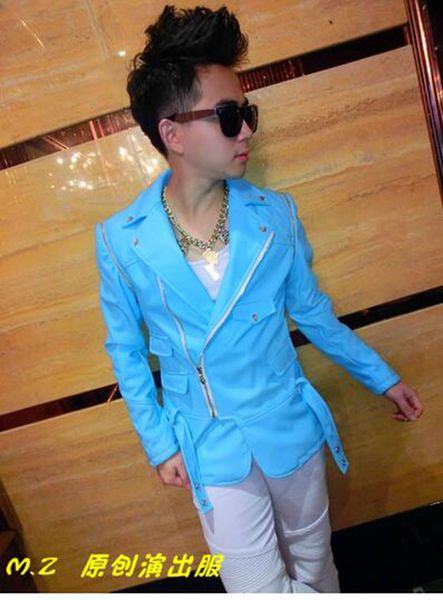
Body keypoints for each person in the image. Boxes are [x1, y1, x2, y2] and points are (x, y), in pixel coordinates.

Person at [94, 4, 424, 593]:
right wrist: (159, 442)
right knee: (254, 585)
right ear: (172, 134)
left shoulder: (276, 215)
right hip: (208, 440)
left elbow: (313, 314)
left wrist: (381, 377)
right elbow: (126, 351)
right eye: (228, 116)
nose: (246, 129)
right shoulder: (121, 239)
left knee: (315, 561)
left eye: (246, 113)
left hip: (286, 423)